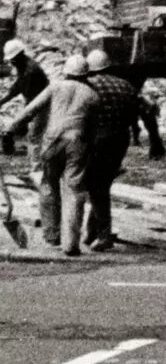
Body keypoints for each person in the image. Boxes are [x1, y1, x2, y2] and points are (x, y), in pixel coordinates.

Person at [1, 57, 97, 256]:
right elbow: (93, 127)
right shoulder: (92, 95)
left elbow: (30, 110)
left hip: (52, 141)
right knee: (74, 190)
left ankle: (52, 237)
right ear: (86, 74)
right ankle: (71, 244)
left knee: (48, 184)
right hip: (78, 142)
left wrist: (9, 130)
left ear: (66, 71)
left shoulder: (55, 87)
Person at [76, 50, 158, 252]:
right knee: (102, 183)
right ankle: (92, 232)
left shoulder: (88, 86)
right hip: (120, 140)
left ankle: (103, 235)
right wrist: (155, 141)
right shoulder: (127, 86)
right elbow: (148, 112)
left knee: (96, 186)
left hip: (97, 140)